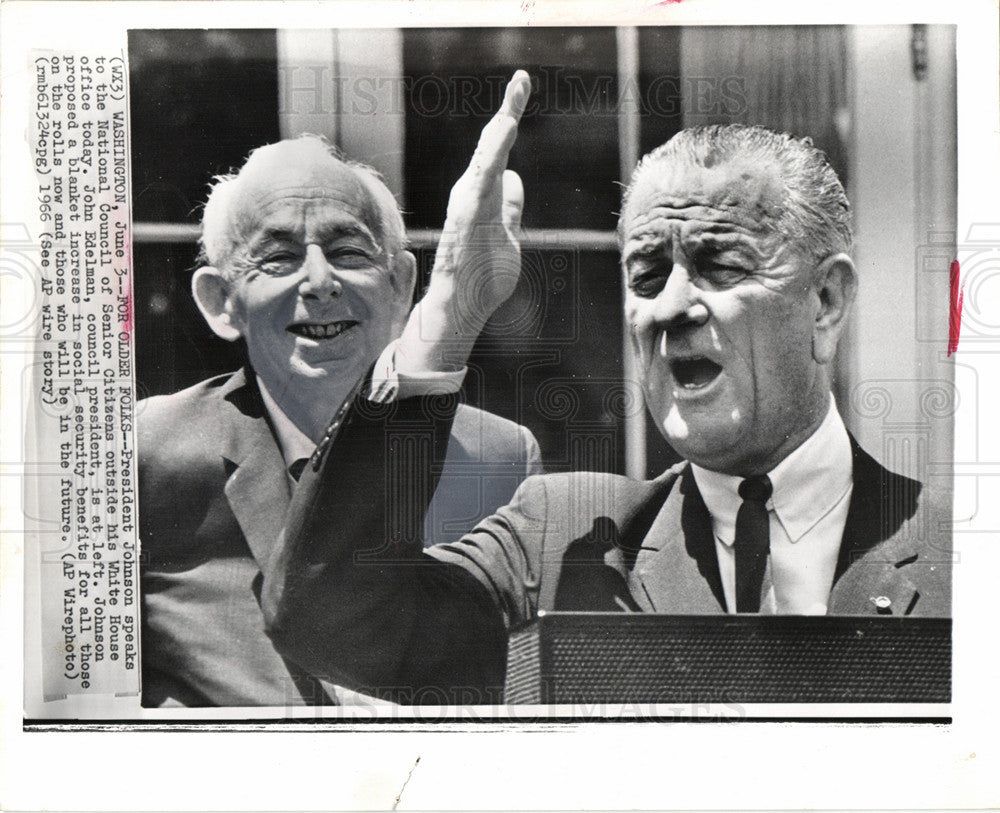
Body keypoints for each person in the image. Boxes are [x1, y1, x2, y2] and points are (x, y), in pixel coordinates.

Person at [259, 116, 952, 703]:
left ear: (825, 302)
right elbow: (325, 613)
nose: (670, 306)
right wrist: (448, 313)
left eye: (721, 265)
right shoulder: (559, 538)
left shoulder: (967, 556)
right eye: (648, 275)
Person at [138, 73, 542, 706]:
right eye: (277, 257)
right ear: (222, 302)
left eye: (349, 251)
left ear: (402, 285)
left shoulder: (499, 458)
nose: (319, 281)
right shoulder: (146, 454)